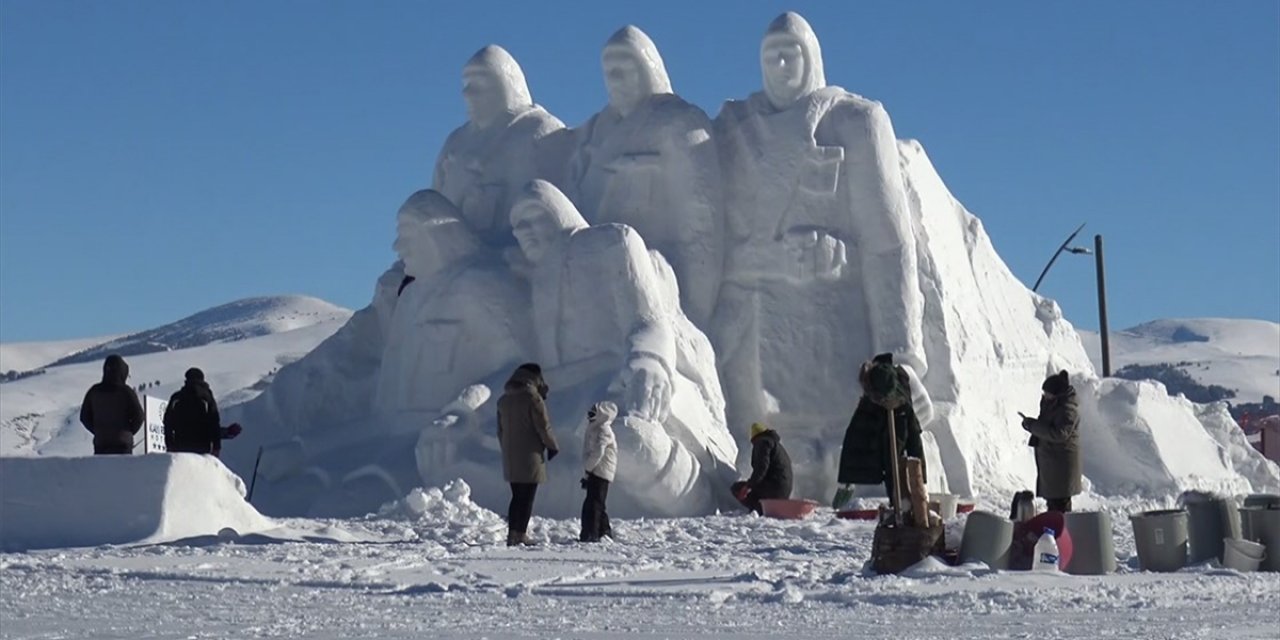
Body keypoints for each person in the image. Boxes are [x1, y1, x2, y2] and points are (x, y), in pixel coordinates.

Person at [567, 25, 723, 327]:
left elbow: (702, 217)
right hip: (598, 278)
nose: (614, 79)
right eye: (609, 71)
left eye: (624, 69)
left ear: (647, 68)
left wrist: (697, 308)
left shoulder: (679, 122)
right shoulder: (594, 133)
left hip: (662, 276)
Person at [433, 45, 567, 246]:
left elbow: (548, 207)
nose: (467, 92)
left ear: (504, 84)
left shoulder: (540, 130)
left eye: (479, 81)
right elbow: (433, 204)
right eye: (466, 84)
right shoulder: (456, 140)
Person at [836, 354, 925, 506]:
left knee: (896, 465)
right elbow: (855, 439)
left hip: (897, 436)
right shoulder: (869, 402)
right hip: (885, 438)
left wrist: (921, 475)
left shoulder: (902, 401)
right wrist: (848, 478)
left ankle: (902, 505)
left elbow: (914, 438)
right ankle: (898, 504)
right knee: (891, 464)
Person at [497, 363, 559, 546]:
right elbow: (543, 427)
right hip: (530, 454)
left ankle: (512, 534)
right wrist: (552, 446)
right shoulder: (533, 398)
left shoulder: (503, 400)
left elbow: (500, 431)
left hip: (510, 456)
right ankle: (520, 534)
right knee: (527, 496)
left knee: (516, 496)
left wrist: (507, 449)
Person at [1022, 370, 1082, 512]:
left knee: (1060, 505)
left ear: (1056, 394)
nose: (1045, 396)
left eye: (1047, 393)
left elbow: (1059, 434)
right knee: (1054, 503)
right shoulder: (1054, 405)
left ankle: (1061, 526)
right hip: (1053, 462)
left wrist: (1033, 426)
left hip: (1061, 464)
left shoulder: (1068, 410)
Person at [79, 354, 144, 455]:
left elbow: (84, 417)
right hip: (123, 445)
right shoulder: (126, 392)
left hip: (101, 444)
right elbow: (139, 416)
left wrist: (98, 431)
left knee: (102, 466)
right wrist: (128, 432)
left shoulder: (94, 391)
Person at [164, 368, 230, 456]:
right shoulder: (207, 398)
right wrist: (216, 447)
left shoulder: (176, 398)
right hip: (202, 447)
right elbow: (214, 423)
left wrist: (170, 444)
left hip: (179, 447)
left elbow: (168, 423)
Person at [731, 422, 793, 515]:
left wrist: (748, 486)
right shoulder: (775, 444)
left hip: (774, 489)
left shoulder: (763, 442)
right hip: (783, 490)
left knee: (736, 488)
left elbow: (761, 468)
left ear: (754, 438)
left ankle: (758, 509)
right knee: (753, 487)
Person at [579, 401, 618, 542]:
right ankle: (603, 532)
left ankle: (592, 534)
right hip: (595, 470)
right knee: (596, 503)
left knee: (595, 504)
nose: (590, 416)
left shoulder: (604, 430)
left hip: (601, 472)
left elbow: (598, 453)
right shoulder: (595, 428)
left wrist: (588, 469)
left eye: (593, 413)